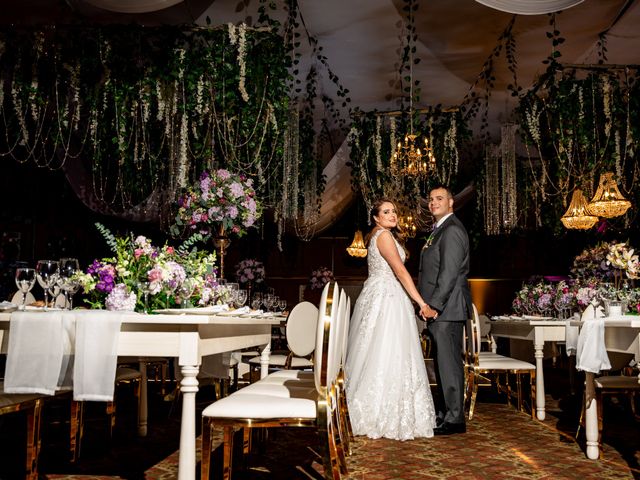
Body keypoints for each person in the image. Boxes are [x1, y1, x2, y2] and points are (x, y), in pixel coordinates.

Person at [345, 198, 436, 440]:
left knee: (378, 351)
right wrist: (421, 302)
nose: (393, 214)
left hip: (381, 294)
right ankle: (379, 413)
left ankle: (380, 410)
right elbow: (400, 270)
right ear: (376, 218)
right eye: (386, 212)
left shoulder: (378, 235)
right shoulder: (383, 236)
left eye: (394, 211)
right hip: (387, 297)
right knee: (388, 350)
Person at [418, 185, 472, 435]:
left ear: (451, 202)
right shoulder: (439, 230)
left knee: (449, 363)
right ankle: (447, 412)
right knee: (442, 362)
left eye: (439, 198)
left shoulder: (451, 230)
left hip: (446, 309)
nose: (433, 202)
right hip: (441, 309)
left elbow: (449, 273)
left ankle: (454, 419)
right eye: (430, 199)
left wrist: (435, 306)